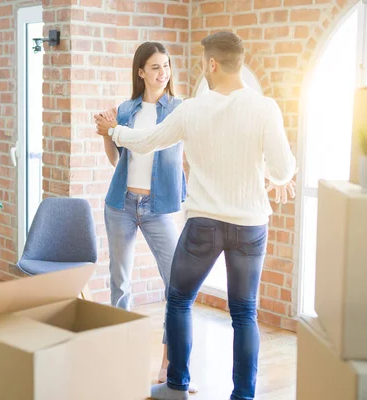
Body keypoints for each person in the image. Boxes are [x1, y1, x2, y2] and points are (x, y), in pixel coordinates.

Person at [95, 31, 297, 400]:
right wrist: (270, 174)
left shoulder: (191, 109)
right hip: (250, 226)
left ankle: (176, 386)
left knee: (178, 299)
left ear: (212, 64)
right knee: (245, 313)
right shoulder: (265, 107)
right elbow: (284, 171)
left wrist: (114, 131)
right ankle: (243, 396)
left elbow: (146, 142)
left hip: (203, 223)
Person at [99, 41, 198, 393]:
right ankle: (121, 355)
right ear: (141, 72)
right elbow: (116, 160)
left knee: (176, 286)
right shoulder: (127, 109)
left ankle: (171, 363)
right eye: (155, 67)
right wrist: (107, 132)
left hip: (158, 210)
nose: (163, 73)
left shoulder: (180, 109)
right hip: (121, 205)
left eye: (166, 66)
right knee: (120, 283)